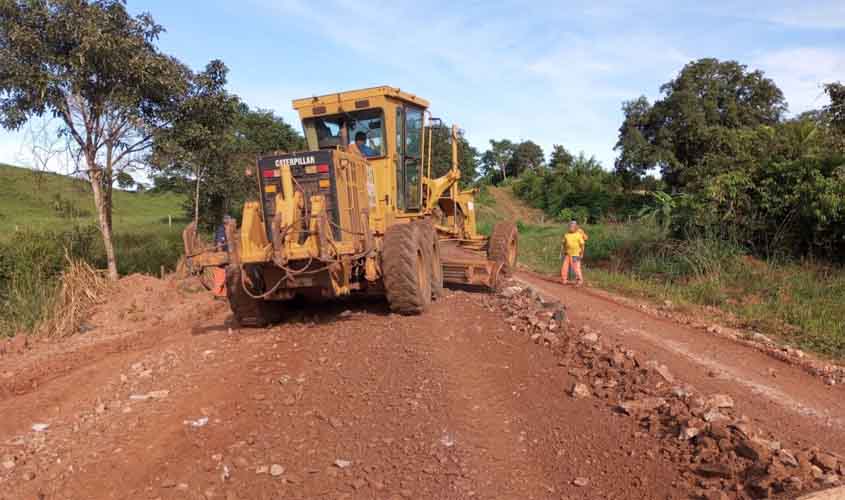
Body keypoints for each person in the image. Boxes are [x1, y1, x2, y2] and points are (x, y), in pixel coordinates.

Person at [561, 220, 585, 286]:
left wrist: (582, 254)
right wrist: (562, 252)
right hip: (567, 254)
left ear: (575, 227)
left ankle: (579, 280)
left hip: (576, 255)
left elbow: (582, 245)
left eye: (572, 226)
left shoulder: (578, 235)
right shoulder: (566, 235)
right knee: (564, 268)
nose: (571, 228)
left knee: (576, 269)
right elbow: (563, 243)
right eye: (570, 226)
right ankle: (564, 280)